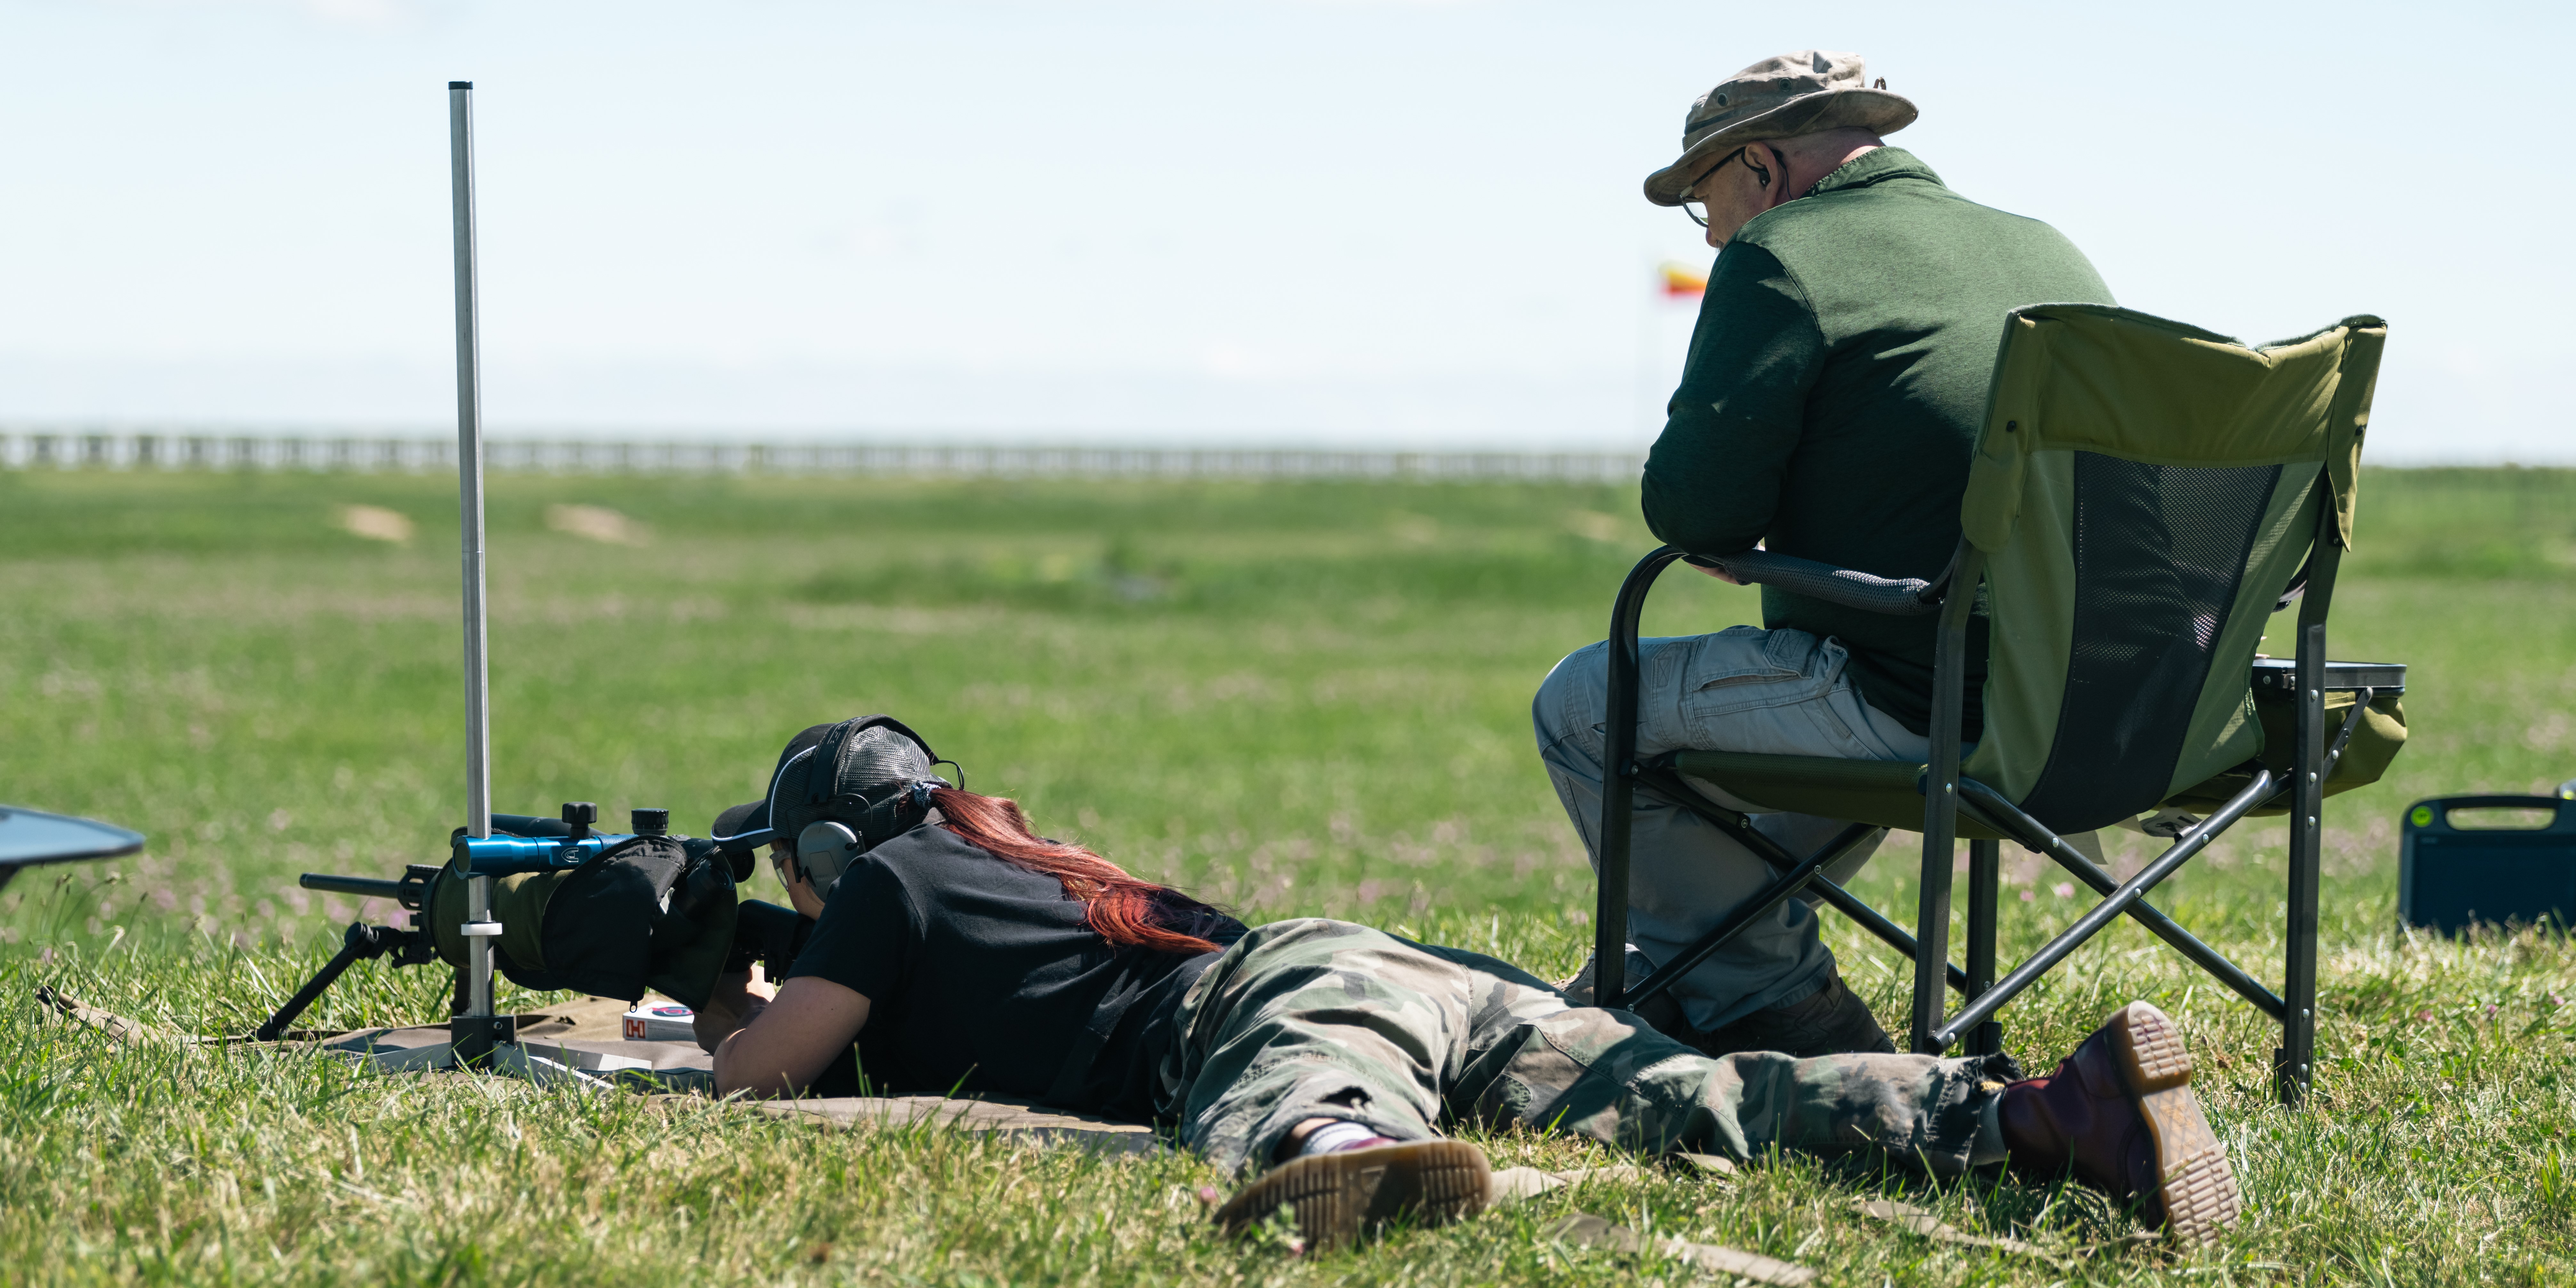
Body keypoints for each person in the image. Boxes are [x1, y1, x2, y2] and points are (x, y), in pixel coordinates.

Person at [692, 716, 2242, 1250]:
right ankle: (2049, 1111)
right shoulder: (1022, 860)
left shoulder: (885, 885)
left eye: (789, 870)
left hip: (1279, 1009)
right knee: (1693, 1096)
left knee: (1310, 1108)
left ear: (826, 843)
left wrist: (710, 985)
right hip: (1387, 969)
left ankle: (1347, 1162)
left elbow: (758, 1083)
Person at [1533, 50, 2117, 1058]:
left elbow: (1692, 511)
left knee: (1585, 704)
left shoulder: (1783, 253)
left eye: (1703, 198)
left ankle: (1772, 998)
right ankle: (1677, 976)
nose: (1709, 230)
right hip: (2111, 704)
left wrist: (1747, 532)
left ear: (1760, 167)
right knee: (1779, 723)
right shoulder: (2045, 246)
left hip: (1929, 697)